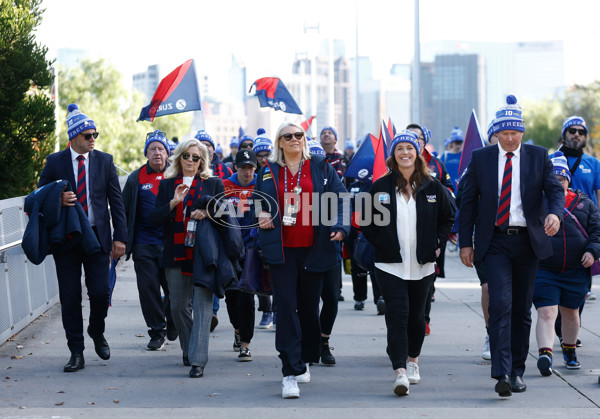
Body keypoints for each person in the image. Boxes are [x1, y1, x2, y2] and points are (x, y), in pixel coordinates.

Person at [459, 95, 565, 397]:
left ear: (522, 132)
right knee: (500, 303)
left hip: (528, 243)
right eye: (503, 133)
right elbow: (467, 203)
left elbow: (554, 190)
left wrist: (555, 214)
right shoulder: (481, 158)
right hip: (496, 243)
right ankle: (501, 372)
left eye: (514, 133)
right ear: (495, 133)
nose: (509, 138)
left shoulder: (538, 155)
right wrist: (466, 243)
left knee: (521, 309)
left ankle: (517, 370)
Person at [253, 121, 349, 399]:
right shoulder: (268, 170)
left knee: (309, 307)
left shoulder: (320, 166)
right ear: (279, 142)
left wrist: (341, 227)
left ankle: (306, 355)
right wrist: (260, 212)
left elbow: (341, 198)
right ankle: (289, 371)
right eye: (288, 136)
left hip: (314, 248)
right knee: (285, 306)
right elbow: (258, 200)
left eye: (299, 135)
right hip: (281, 250)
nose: (295, 139)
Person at [361, 130, 454, 396]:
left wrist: (437, 243)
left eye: (409, 148)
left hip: (423, 264)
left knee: (417, 317)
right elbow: (367, 220)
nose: (405, 153)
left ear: (418, 153)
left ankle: (414, 361)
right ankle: (400, 371)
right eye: (399, 148)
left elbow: (447, 219)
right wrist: (382, 242)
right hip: (389, 265)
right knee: (397, 315)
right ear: (393, 154)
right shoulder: (381, 186)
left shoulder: (432, 185)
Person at [38, 103, 127, 372]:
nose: (92, 140)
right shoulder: (55, 162)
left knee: (100, 292)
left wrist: (120, 237)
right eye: (87, 136)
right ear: (73, 137)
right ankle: (76, 351)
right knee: (70, 296)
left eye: (94, 135)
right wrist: (58, 197)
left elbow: (116, 201)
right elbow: (39, 197)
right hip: (66, 238)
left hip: (98, 237)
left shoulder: (105, 161)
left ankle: (96, 330)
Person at [149, 139, 224, 378]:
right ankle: (190, 348)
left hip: (204, 255)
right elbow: (154, 219)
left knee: (202, 308)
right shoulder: (167, 185)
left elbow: (225, 214)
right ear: (179, 157)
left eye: (196, 157)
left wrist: (207, 212)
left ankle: (198, 360)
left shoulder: (213, 183)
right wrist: (174, 202)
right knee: (178, 307)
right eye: (186, 156)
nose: (190, 161)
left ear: (202, 162)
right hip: (176, 253)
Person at [533, 152, 600, 376]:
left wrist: (592, 251)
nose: (557, 181)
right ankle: (546, 354)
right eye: (553, 177)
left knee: (571, 313)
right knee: (547, 312)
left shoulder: (585, 204)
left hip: (576, 270)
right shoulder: (536, 203)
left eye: (561, 177)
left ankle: (569, 350)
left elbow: (597, 233)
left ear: (568, 180)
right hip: (544, 269)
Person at [122, 130, 177, 351]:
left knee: (174, 289)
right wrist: (122, 240)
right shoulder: (136, 178)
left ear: (167, 153)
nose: (157, 153)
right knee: (148, 289)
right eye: (152, 149)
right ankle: (156, 332)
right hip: (143, 243)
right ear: (146, 153)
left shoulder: (175, 176)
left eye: (161, 149)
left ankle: (172, 319)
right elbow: (123, 210)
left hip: (170, 243)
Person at [406, 123, 455, 336]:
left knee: (426, 278)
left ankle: (423, 319)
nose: (414, 142)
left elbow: (451, 192)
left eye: (418, 138)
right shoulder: (397, 164)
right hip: (403, 232)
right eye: (409, 138)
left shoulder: (436, 164)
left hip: (431, 230)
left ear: (424, 142)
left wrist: (436, 190)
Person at [223, 150, 260, 361]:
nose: (247, 172)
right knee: (232, 297)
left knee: (247, 297)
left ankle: (245, 344)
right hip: (230, 250)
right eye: (243, 167)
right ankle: (237, 329)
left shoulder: (263, 185)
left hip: (252, 249)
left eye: (251, 168)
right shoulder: (225, 186)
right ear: (236, 167)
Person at [194, 129, 231, 330]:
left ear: (212, 148)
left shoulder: (224, 171)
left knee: (212, 267)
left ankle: (212, 312)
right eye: (200, 144)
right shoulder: (189, 168)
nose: (204, 147)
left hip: (216, 228)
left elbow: (229, 201)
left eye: (207, 144)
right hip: (191, 231)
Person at [320, 126, 347, 302]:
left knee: (336, 251)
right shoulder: (313, 160)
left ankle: (335, 288)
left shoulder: (342, 160)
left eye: (330, 133)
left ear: (335, 139)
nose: (326, 135)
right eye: (323, 133)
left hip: (335, 210)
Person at [252, 129, 276, 328]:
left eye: (266, 154)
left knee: (279, 275)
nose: (263, 159)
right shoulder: (256, 175)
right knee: (263, 273)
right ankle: (266, 311)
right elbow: (256, 202)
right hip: (261, 232)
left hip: (282, 230)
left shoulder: (279, 170)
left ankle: (277, 311)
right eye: (259, 156)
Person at [555, 116, 600, 206]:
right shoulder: (549, 159)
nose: (577, 134)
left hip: (585, 218)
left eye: (581, 132)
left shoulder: (594, 163)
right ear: (564, 134)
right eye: (572, 131)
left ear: (585, 137)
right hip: (556, 217)